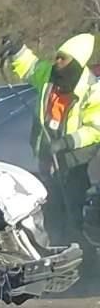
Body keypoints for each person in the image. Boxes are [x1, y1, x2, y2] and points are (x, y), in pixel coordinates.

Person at [36, 32, 98, 245]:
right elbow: (30, 68)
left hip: (75, 163)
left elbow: (95, 129)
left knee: (73, 213)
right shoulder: (49, 76)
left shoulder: (93, 89)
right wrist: (16, 51)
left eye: (63, 58)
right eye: (58, 57)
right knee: (51, 213)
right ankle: (56, 253)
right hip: (48, 159)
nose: (58, 62)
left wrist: (66, 142)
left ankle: (82, 261)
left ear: (77, 63)